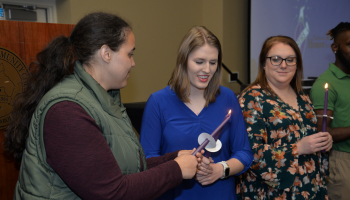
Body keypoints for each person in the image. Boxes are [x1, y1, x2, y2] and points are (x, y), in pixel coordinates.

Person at [3, 12, 203, 200]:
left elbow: (125, 169)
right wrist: (175, 169)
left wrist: (172, 159)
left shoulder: (105, 99)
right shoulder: (67, 109)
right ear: (106, 53)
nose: (133, 63)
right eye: (129, 54)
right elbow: (111, 192)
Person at [140, 26, 253, 200]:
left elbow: (244, 153)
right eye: (199, 62)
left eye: (213, 62)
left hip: (220, 194)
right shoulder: (158, 102)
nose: (207, 70)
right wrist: (179, 167)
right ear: (184, 60)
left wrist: (220, 169)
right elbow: (147, 160)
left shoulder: (228, 98)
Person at [237, 36, 332, 199]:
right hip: (272, 193)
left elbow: (305, 136)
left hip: (310, 187)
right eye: (275, 59)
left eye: (290, 60)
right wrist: (298, 148)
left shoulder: (302, 96)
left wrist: (324, 140)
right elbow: (251, 155)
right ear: (263, 64)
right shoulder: (252, 99)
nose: (283, 65)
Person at [310, 22, 350, 200]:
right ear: (335, 47)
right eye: (349, 44)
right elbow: (322, 132)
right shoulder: (324, 85)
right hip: (341, 160)